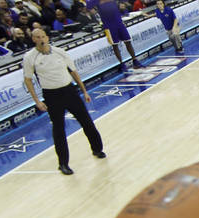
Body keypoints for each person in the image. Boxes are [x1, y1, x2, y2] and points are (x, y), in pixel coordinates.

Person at [22, 28, 105, 175]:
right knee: (59, 129)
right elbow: (28, 80)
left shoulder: (60, 51)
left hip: (69, 91)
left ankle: (97, 149)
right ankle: (63, 163)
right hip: (51, 95)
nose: (41, 39)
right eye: (37, 37)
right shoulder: (30, 57)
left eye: (43, 36)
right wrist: (36, 100)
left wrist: (84, 90)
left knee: (86, 121)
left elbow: (73, 71)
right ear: (33, 39)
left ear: (47, 37)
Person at [85, 0, 141, 69]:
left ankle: (135, 60)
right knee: (115, 45)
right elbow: (88, 7)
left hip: (119, 22)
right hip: (108, 26)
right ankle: (122, 64)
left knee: (128, 41)